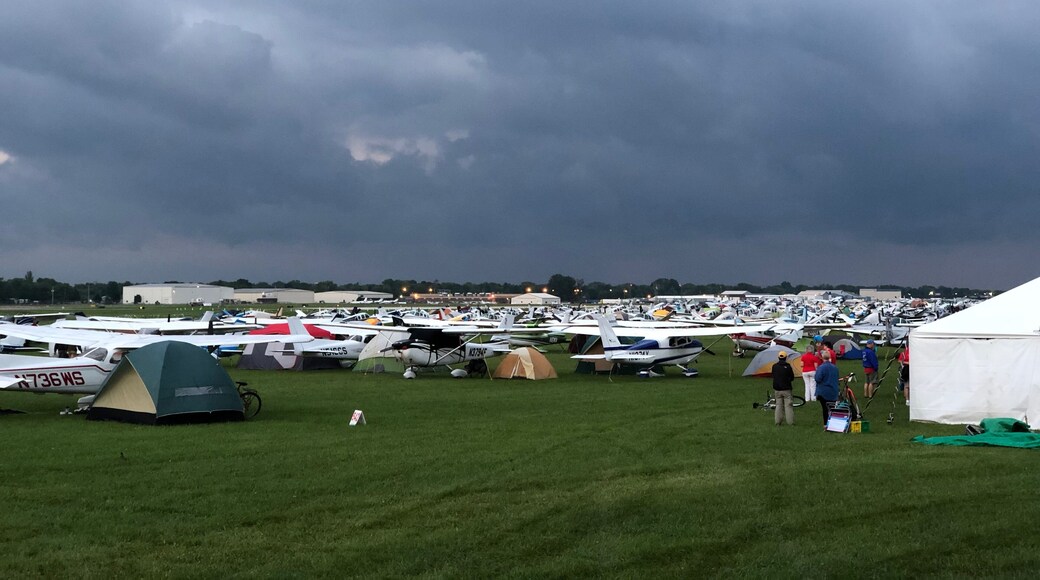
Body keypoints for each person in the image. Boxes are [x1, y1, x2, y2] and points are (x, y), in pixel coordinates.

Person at [814, 350, 840, 425]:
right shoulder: (835, 367)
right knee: (832, 408)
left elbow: (818, 379)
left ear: (822, 357)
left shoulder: (821, 367)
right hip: (833, 390)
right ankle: (832, 423)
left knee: (825, 408)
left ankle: (826, 424)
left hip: (823, 391)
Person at [771, 351, 795, 426]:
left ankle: (778, 422)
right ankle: (790, 422)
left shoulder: (774, 366)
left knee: (778, 405)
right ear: (786, 358)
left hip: (777, 389)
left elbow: (773, 375)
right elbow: (792, 377)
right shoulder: (788, 366)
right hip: (786, 389)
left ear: (778, 357)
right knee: (788, 406)